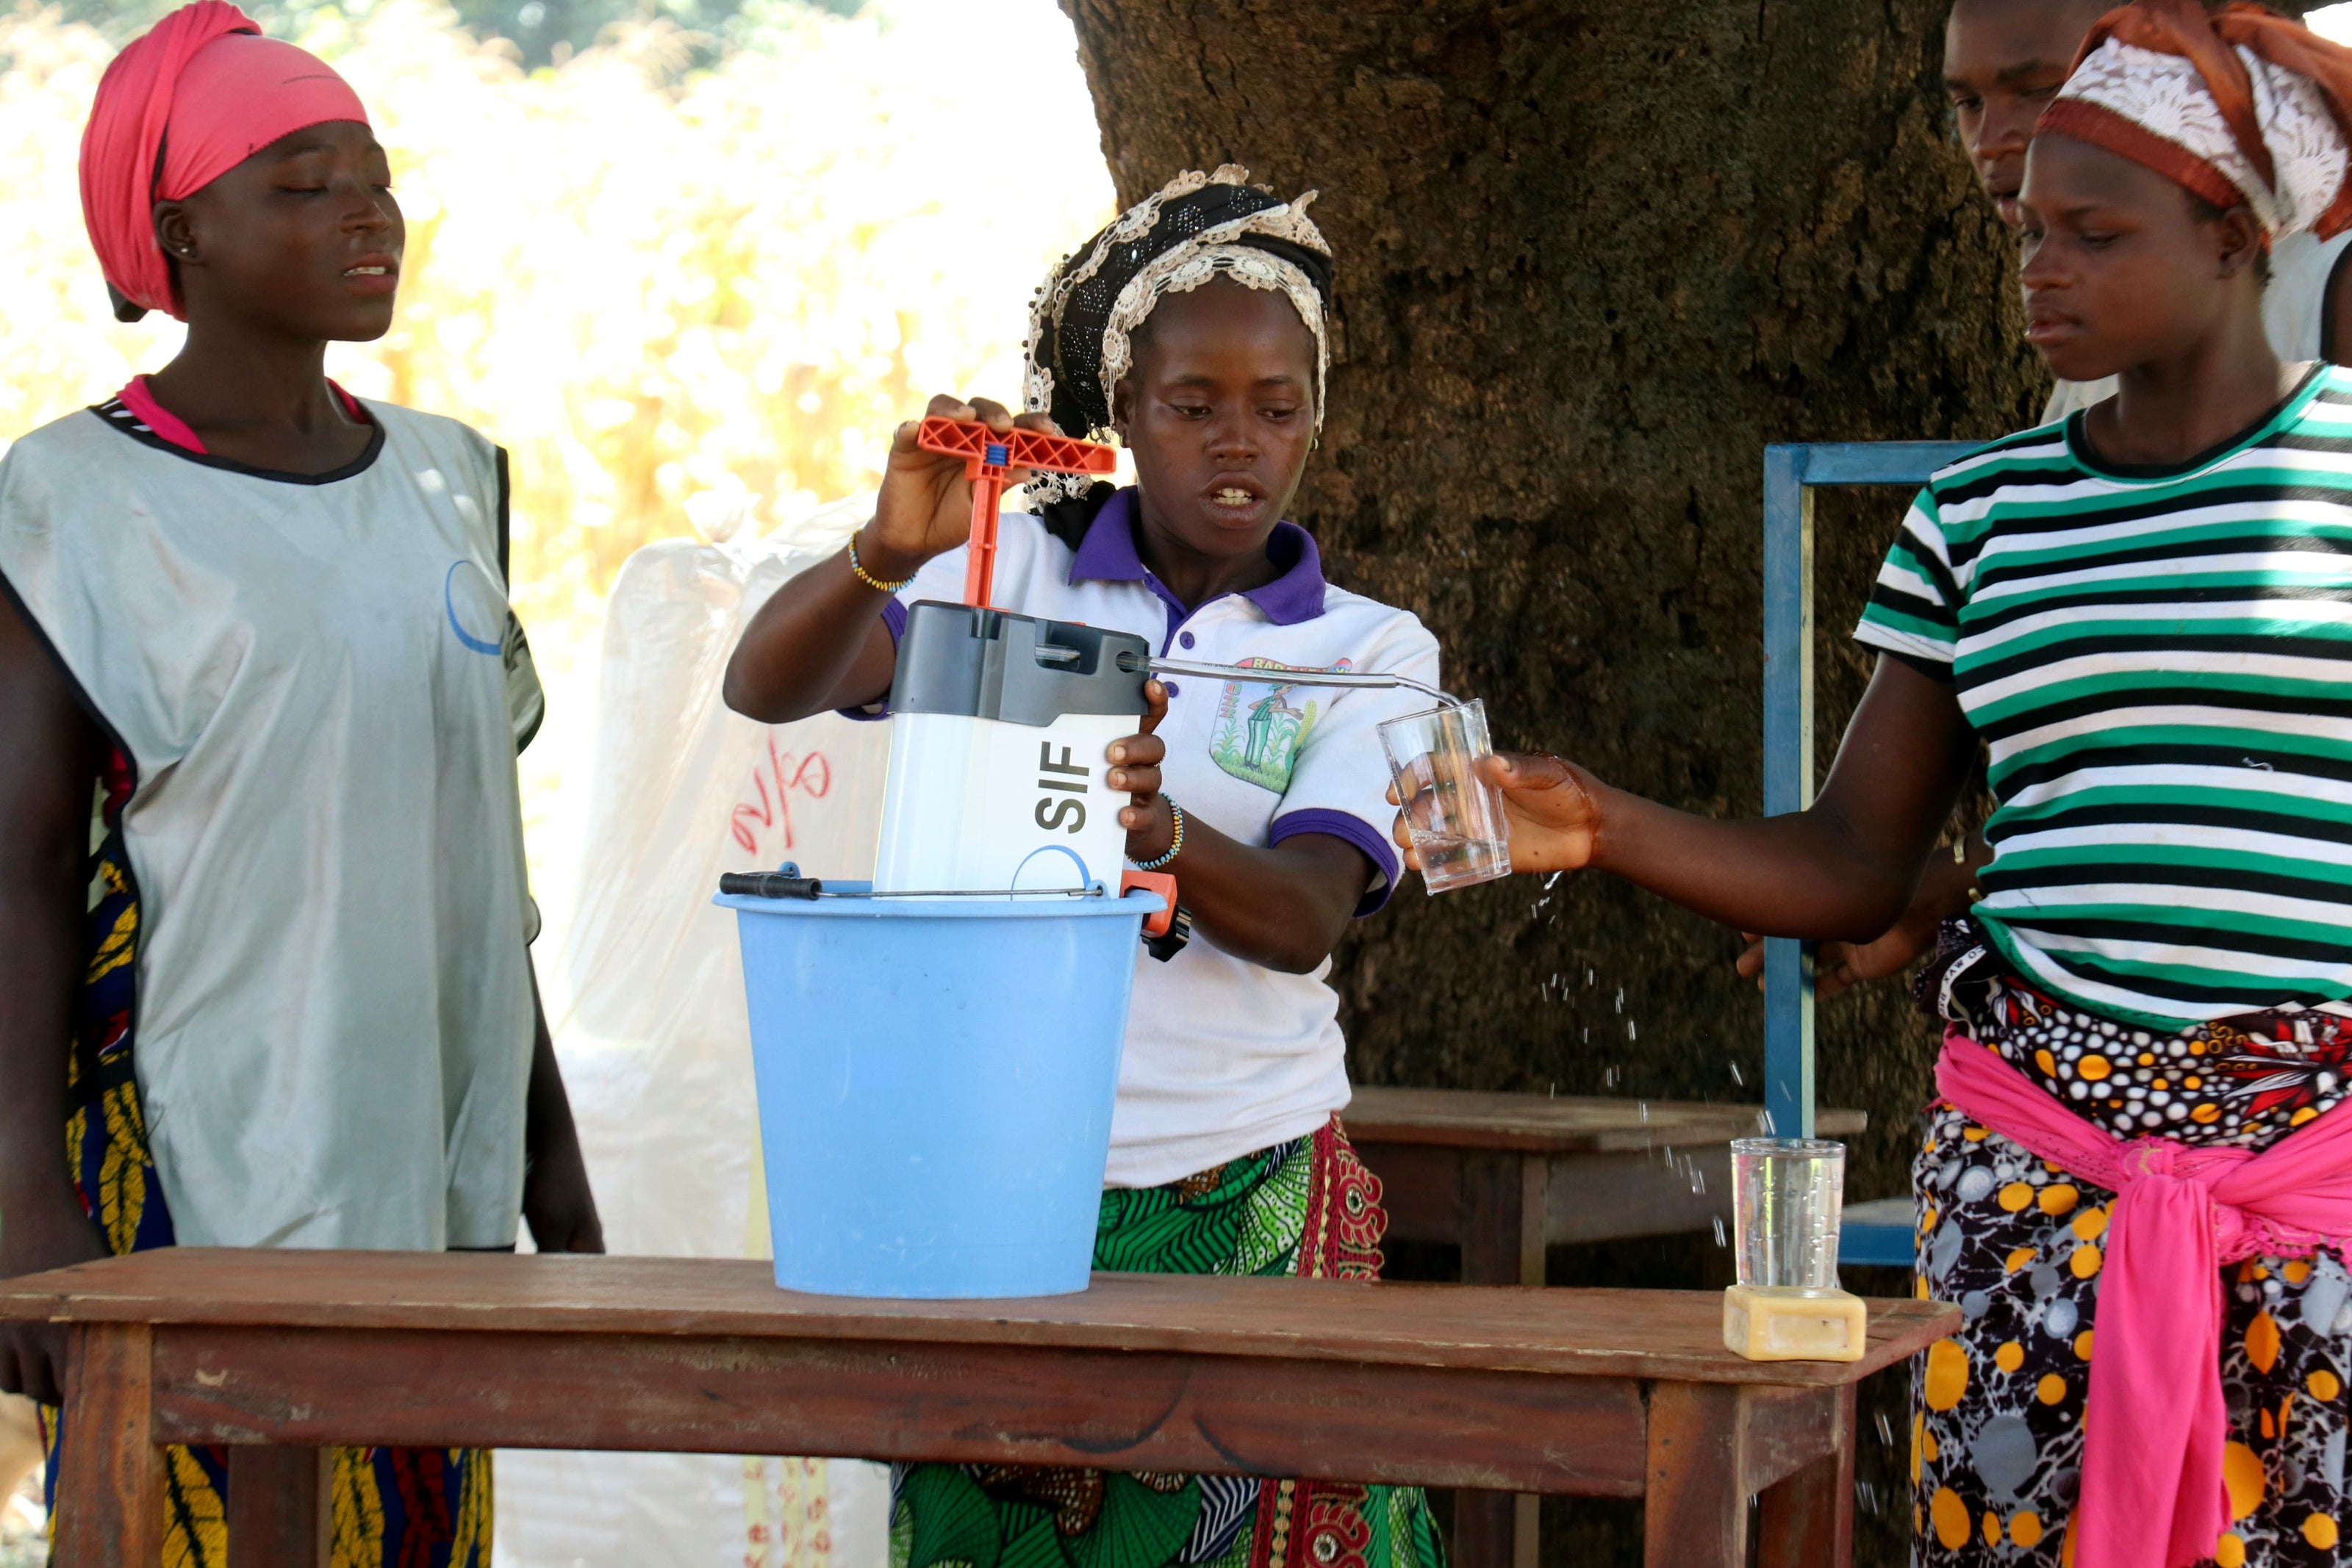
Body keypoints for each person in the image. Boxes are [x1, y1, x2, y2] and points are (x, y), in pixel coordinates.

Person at [1430, 5, 2352, 1564]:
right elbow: (1860, 854)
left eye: (2090, 231)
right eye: (2025, 230)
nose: (2035, 263)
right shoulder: (1979, 518)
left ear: (2231, 233)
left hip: (2315, 1181)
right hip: (2037, 1173)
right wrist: (1600, 825)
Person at [724, 167, 1447, 1568]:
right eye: (1192, 406)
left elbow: (1304, 921)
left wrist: (1161, 828)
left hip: (1237, 1186)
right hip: (980, 1177)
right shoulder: (1001, 571)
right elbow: (769, 684)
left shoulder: (1370, 651)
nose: (1239, 442)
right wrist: (887, 552)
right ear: (1120, 413)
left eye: (1279, 406)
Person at [0, 5, 602, 1561]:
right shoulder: (72, 500)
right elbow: (13, 885)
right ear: (178, 226)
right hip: (205, 1181)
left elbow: (469, 853)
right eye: (301, 180)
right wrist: (20, 1205)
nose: (366, 213)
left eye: (377, 178)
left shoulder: (449, 473)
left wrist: (551, 1166)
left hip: (440, 1190)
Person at [1745, 0, 2352, 1001]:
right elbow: (2159, 774)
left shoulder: (2320, 312)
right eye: (1967, 101)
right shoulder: (2030, 462)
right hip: (2059, 1090)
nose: (1996, 139)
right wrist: (1965, 888)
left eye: (2040, 85)